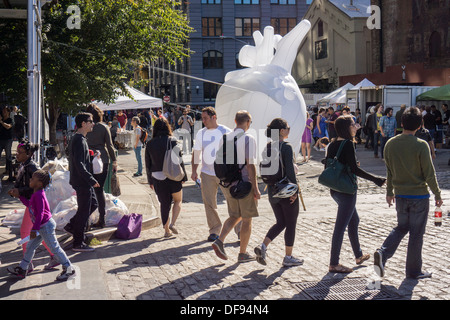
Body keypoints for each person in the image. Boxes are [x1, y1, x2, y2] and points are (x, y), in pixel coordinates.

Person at [374, 106, 443, 279]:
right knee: (416, 234)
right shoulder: (421, 145)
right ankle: (413, 271)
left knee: (401, 227)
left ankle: (383, 252)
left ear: (401, 123)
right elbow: (429, 173)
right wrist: (437, 194)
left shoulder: (390, 144)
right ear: (420, 125)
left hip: (400, 195)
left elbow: (388, 171)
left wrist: (389, 192)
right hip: (419, 196)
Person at [325, 115, 386, 273]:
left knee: (354, 220)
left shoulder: (332, 144)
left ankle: (358, 255)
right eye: (353, 124)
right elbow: (354, 170)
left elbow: (331, 164)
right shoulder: (347, 144)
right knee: (340, 227)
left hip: (335, 189)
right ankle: (334, 263)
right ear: (347, 128)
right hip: (347, 190)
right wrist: (376, 179)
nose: (355, 127)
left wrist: (350, 164)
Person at [7, 170, 76, 281]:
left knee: (55, 248)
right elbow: (30, 205)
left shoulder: (39, 195)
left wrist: (35, 229)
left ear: (39, 183)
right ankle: (22, 269)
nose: (30, 180)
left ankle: (69, 269)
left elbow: (40, 214)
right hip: (42, 226)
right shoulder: (36, 194)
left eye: (33, 179)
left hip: (45, 227)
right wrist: (19, 196)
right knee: (30, 246)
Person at [212, 110, 260, 263]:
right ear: (247, 122)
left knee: (235, 215)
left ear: (235, 121)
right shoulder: (248, 138)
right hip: (245, 184)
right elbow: (250, 164)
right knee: (246, 219)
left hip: (229, 183)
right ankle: (243, 253)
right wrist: (256, 187)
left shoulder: (225, 138)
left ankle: (220, 240)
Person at [254, 118, 303, 267]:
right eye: (288, 127)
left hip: (272, 190)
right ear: (282, 131)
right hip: (287, 190)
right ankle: (288, 257)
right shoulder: (286, 147)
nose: (289, 130)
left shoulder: (267, 147)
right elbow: (290, 172)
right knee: (291, 224)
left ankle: (263, 247)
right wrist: (296, 190)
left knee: (281, 222)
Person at [8, 141, 58, 270]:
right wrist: (17, 192)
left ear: (29, 154)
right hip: (30, 204)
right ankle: (54, 256)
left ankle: (27, 263)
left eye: (20, 153)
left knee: (27, 232)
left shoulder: (32, 168)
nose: (17, 155)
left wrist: (21, 192)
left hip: (35, 205)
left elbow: (36, 187)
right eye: (16, 152)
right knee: (40, 235)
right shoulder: (24, 165)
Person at [191, 107, 239, 242]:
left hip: (225, 174)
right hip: (207, 173)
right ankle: (214, 230)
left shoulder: (226, 131)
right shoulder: (200, 133)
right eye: (202, 118)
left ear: (214, 117)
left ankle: (240, 231)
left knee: (233, 201)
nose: (203, 121)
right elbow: (196, 153)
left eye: (205, 118)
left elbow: (234, 153)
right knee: (209, 203)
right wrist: (194, 170)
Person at [145, 118, 187, 237]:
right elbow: (179, 160)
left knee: (164, 203)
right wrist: (184, 176)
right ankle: (173, 223)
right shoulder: (173, 141)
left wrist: (150, 181)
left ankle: (167, 230)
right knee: (178, 200)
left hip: (157, 176)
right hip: (173, 175)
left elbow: (147, 164)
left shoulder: (150, 143)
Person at [65, 112, 99, 252]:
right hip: (82, 181)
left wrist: (91, 156)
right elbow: (78, 163)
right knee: (84, 209)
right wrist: (91, 179)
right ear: (83, 124)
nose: (93, 123)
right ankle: (78, 242)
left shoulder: (80, 139)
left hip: (81, 180)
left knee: (93, 204)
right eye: (90, 121)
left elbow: (77, 158)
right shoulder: (78, 139)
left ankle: (72, 226)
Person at [86, 104, 118, 228]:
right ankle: (102, 218)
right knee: (100, 191)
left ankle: (87, 220)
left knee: (88, 190)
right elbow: (110, 146)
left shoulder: (85, 127)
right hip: (102, 160)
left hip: (88, 159)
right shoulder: (104, 128)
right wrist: (114, 160)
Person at [0, 106, 14, 181]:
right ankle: (6, 170)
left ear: (8, 112)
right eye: (3, 111)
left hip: (8, 140)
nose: (3, 112)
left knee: (8, 156)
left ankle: (9, 172)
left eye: (5, 111)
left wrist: (1, 122)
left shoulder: (10, 120)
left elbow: (8, 127)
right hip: (1, 139)